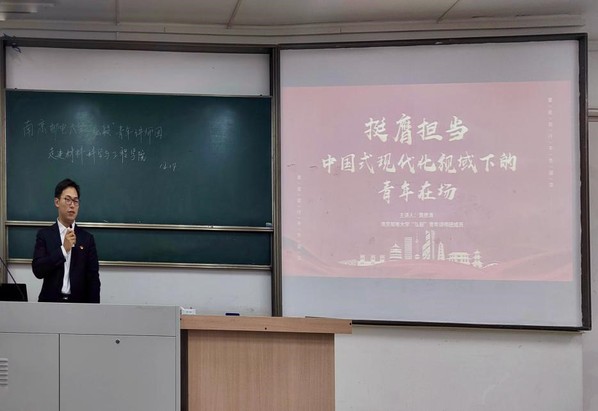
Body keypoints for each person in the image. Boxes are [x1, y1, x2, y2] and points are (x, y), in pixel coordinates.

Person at [32, 178, 100, 303]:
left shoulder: (87, 239)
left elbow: (93, 279)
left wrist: (94, 310)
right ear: (57, 202)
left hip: (78, 305)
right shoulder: (45, 235)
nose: (72, 205)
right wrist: (63, 250)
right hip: (50, 304)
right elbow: (38, 270)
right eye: (67, 200)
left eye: (75, 201)